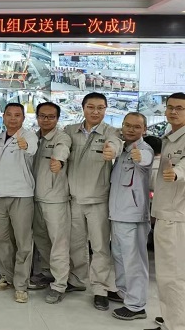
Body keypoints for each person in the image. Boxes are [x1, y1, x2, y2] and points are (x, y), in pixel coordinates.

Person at [64, 92, 123, 311]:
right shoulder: (70, 131)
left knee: (99, 246)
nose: (95, 112)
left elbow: (115, 144)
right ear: (83, 108)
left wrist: (112, 151)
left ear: (106, 109)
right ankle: (78, 279)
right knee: (76, 243)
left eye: (100, 108)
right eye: (91, 107)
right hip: (74, 200)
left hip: (98, 200)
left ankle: (100, 288)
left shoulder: (111, 132)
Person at [0, 103, 38, 303]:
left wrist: (24, 145)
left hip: (21, 196)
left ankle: (21, 285)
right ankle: (6, 277)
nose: (12, 118)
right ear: (3, 116)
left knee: (23, 242)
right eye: (9, 114)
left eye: (17, 115)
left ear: (23, 118)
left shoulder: (29, 136)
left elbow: (31, 149)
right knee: (1, 239)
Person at [108, 112, 153, 321]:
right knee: (119, 256)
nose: (131, 130)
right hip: (117, 214)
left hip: (133, 216)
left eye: (136, 127)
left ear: (144, 129)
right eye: (127, 125)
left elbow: (146, 159)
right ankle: (124, 291)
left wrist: (139, 156)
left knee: (134, 261)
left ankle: (136, 305)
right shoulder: (123, 149)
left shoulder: (144, 149)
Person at [148, 92, 185, 330]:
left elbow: (182, 166)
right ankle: (174, 317)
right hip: (167, 212)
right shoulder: (170, 137)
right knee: (171, 275)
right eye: (170, 107)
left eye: (180, 108)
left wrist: (177, 173)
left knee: (172, 275)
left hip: (175, 216)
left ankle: (176, 325)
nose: (173, 112)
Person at [31, 101, 72, 304]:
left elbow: (62, 150)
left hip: (55, 199)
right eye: (43, 116)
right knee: (41, 239)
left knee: (58, 243)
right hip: (35, 198)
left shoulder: (61, 137)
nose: (46, 120)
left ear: (57, 119)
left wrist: (59, 161)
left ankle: (60, 284)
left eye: (51, 117)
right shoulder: (33, 137)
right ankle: (48, 272)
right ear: (37, 117)